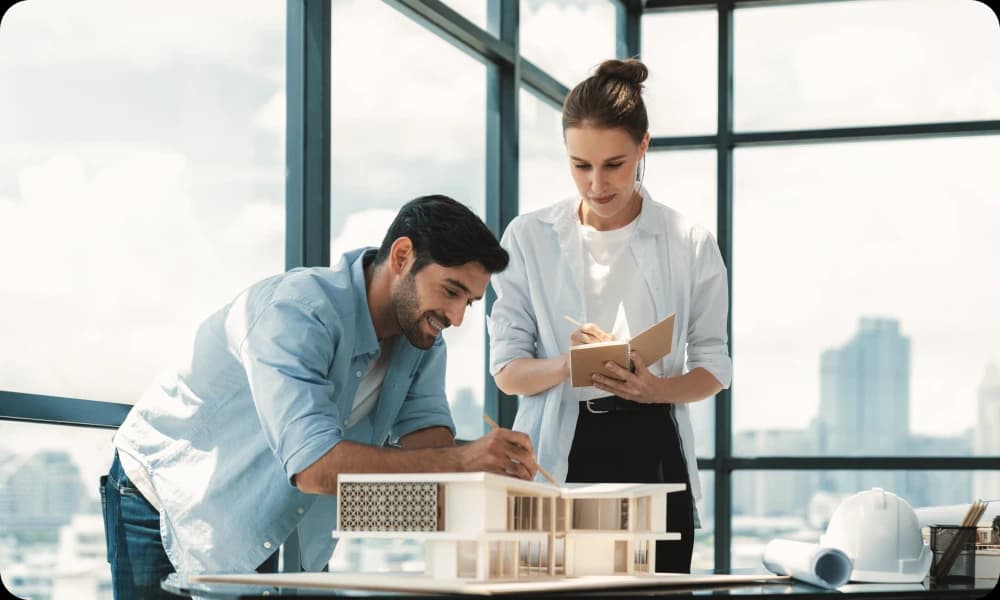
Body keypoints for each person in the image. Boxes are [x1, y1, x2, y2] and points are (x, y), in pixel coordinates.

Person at [101, 195, 539, 599]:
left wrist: (490, 480)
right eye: (450, 291)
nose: (457, 317)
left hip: (271, 515)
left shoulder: (422, 343)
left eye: (470, 301)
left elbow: (433, 455)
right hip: (165, 492)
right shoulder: (297, 313)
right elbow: (315, 467)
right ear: (402, 257)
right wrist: (464, 462)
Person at [487, 59, 732, 573]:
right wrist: (566, 364)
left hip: (653, 446)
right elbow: (508, 372)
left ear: (644, 147)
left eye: (614, 165)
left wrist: (654, 389)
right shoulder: (529, 238)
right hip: (560, 446)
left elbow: (714, 365)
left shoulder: (689, 242)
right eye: (581, 166)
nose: (596, 183)